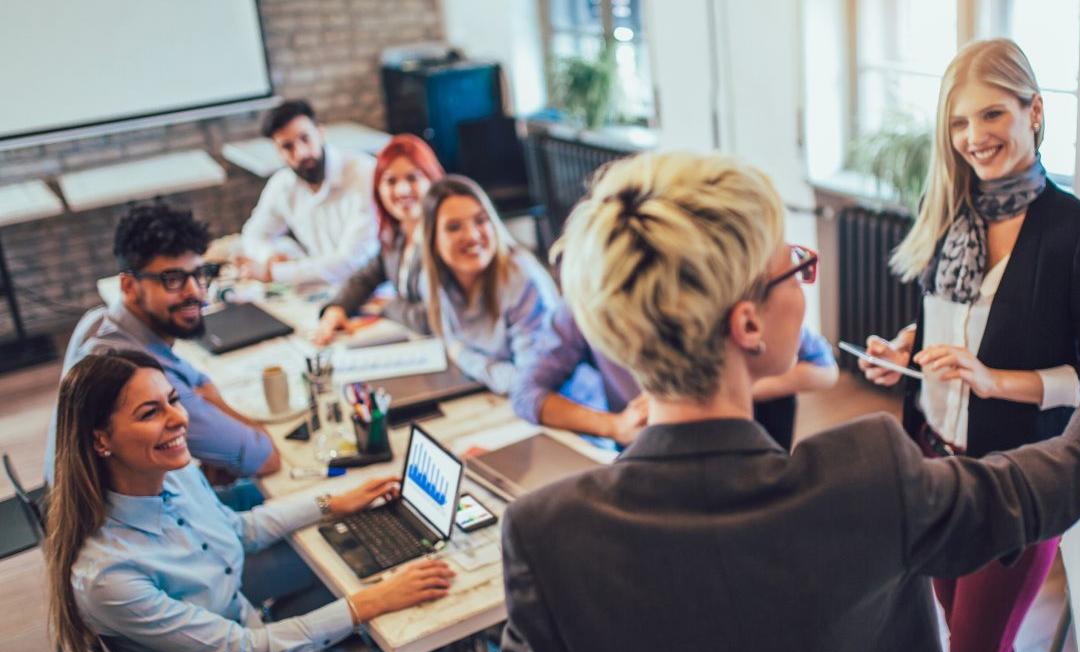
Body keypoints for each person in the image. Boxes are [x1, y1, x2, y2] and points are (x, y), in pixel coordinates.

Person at [497, 151, 1080, 652]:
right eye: (793, 264)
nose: (804, 275)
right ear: (748, 325)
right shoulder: (866, 478)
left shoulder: (544, 535)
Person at [858, 39, 1080, 652]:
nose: (973, 137)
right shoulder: (947, 212)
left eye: (991, 114)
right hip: (932, 460)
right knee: (952, 625)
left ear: (1034, 112)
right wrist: (905, 348)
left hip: (1017, 476)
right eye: (958, 121)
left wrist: (994, 381)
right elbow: (959, 323)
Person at [45, 351, 456, 652]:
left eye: (173, 400)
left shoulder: (175, 473)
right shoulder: (107, 577)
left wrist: (332, 502)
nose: (179, 419)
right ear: (101, 440)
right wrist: (369, 603)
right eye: (150, 413)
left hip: (263, 645)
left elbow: (238, 529)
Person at [44, 204, 280, 487]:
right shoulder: (137, 378)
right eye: (173, 279)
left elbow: (199, 384)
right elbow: (265, 458)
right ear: (129, 286)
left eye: (199, 273)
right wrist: (214, 402)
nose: (194, 291)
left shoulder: (97, 321)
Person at [510, 301, 839, 449]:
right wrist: (613, 426)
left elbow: (823, 367)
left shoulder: (723, 294)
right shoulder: (582, 308)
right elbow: (526, 393)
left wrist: (738, 387)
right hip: (648, 447)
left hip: (744, 443)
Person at [420, 175, 559, 394]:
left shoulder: (521, 279)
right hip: (492, 394)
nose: (472, 235)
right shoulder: (431, 281)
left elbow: (530, 383)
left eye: (480, 220)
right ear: (432, 239)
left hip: (559, 405)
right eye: (454, 227)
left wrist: (464, 358)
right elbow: (448, 340)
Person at [315, 134, 446, 344]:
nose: (402, 190)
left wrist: (386, 307)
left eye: (413, 178)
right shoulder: (398, 237)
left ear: (432, 180)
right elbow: (364, 278)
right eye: (391, 181)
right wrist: (336, 308)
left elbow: (430, 318)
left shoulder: (445, 239)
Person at [238, 99, 378, 286]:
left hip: (370, 291)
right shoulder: (283, 184)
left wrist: (275, 272)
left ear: (320, 133)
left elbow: (352, 261)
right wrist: (270, 256)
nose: (301, 153)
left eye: (305, 138)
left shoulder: (363, 172)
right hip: (321, 289)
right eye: (287, 147)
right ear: (277, 151)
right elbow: (253, 234)